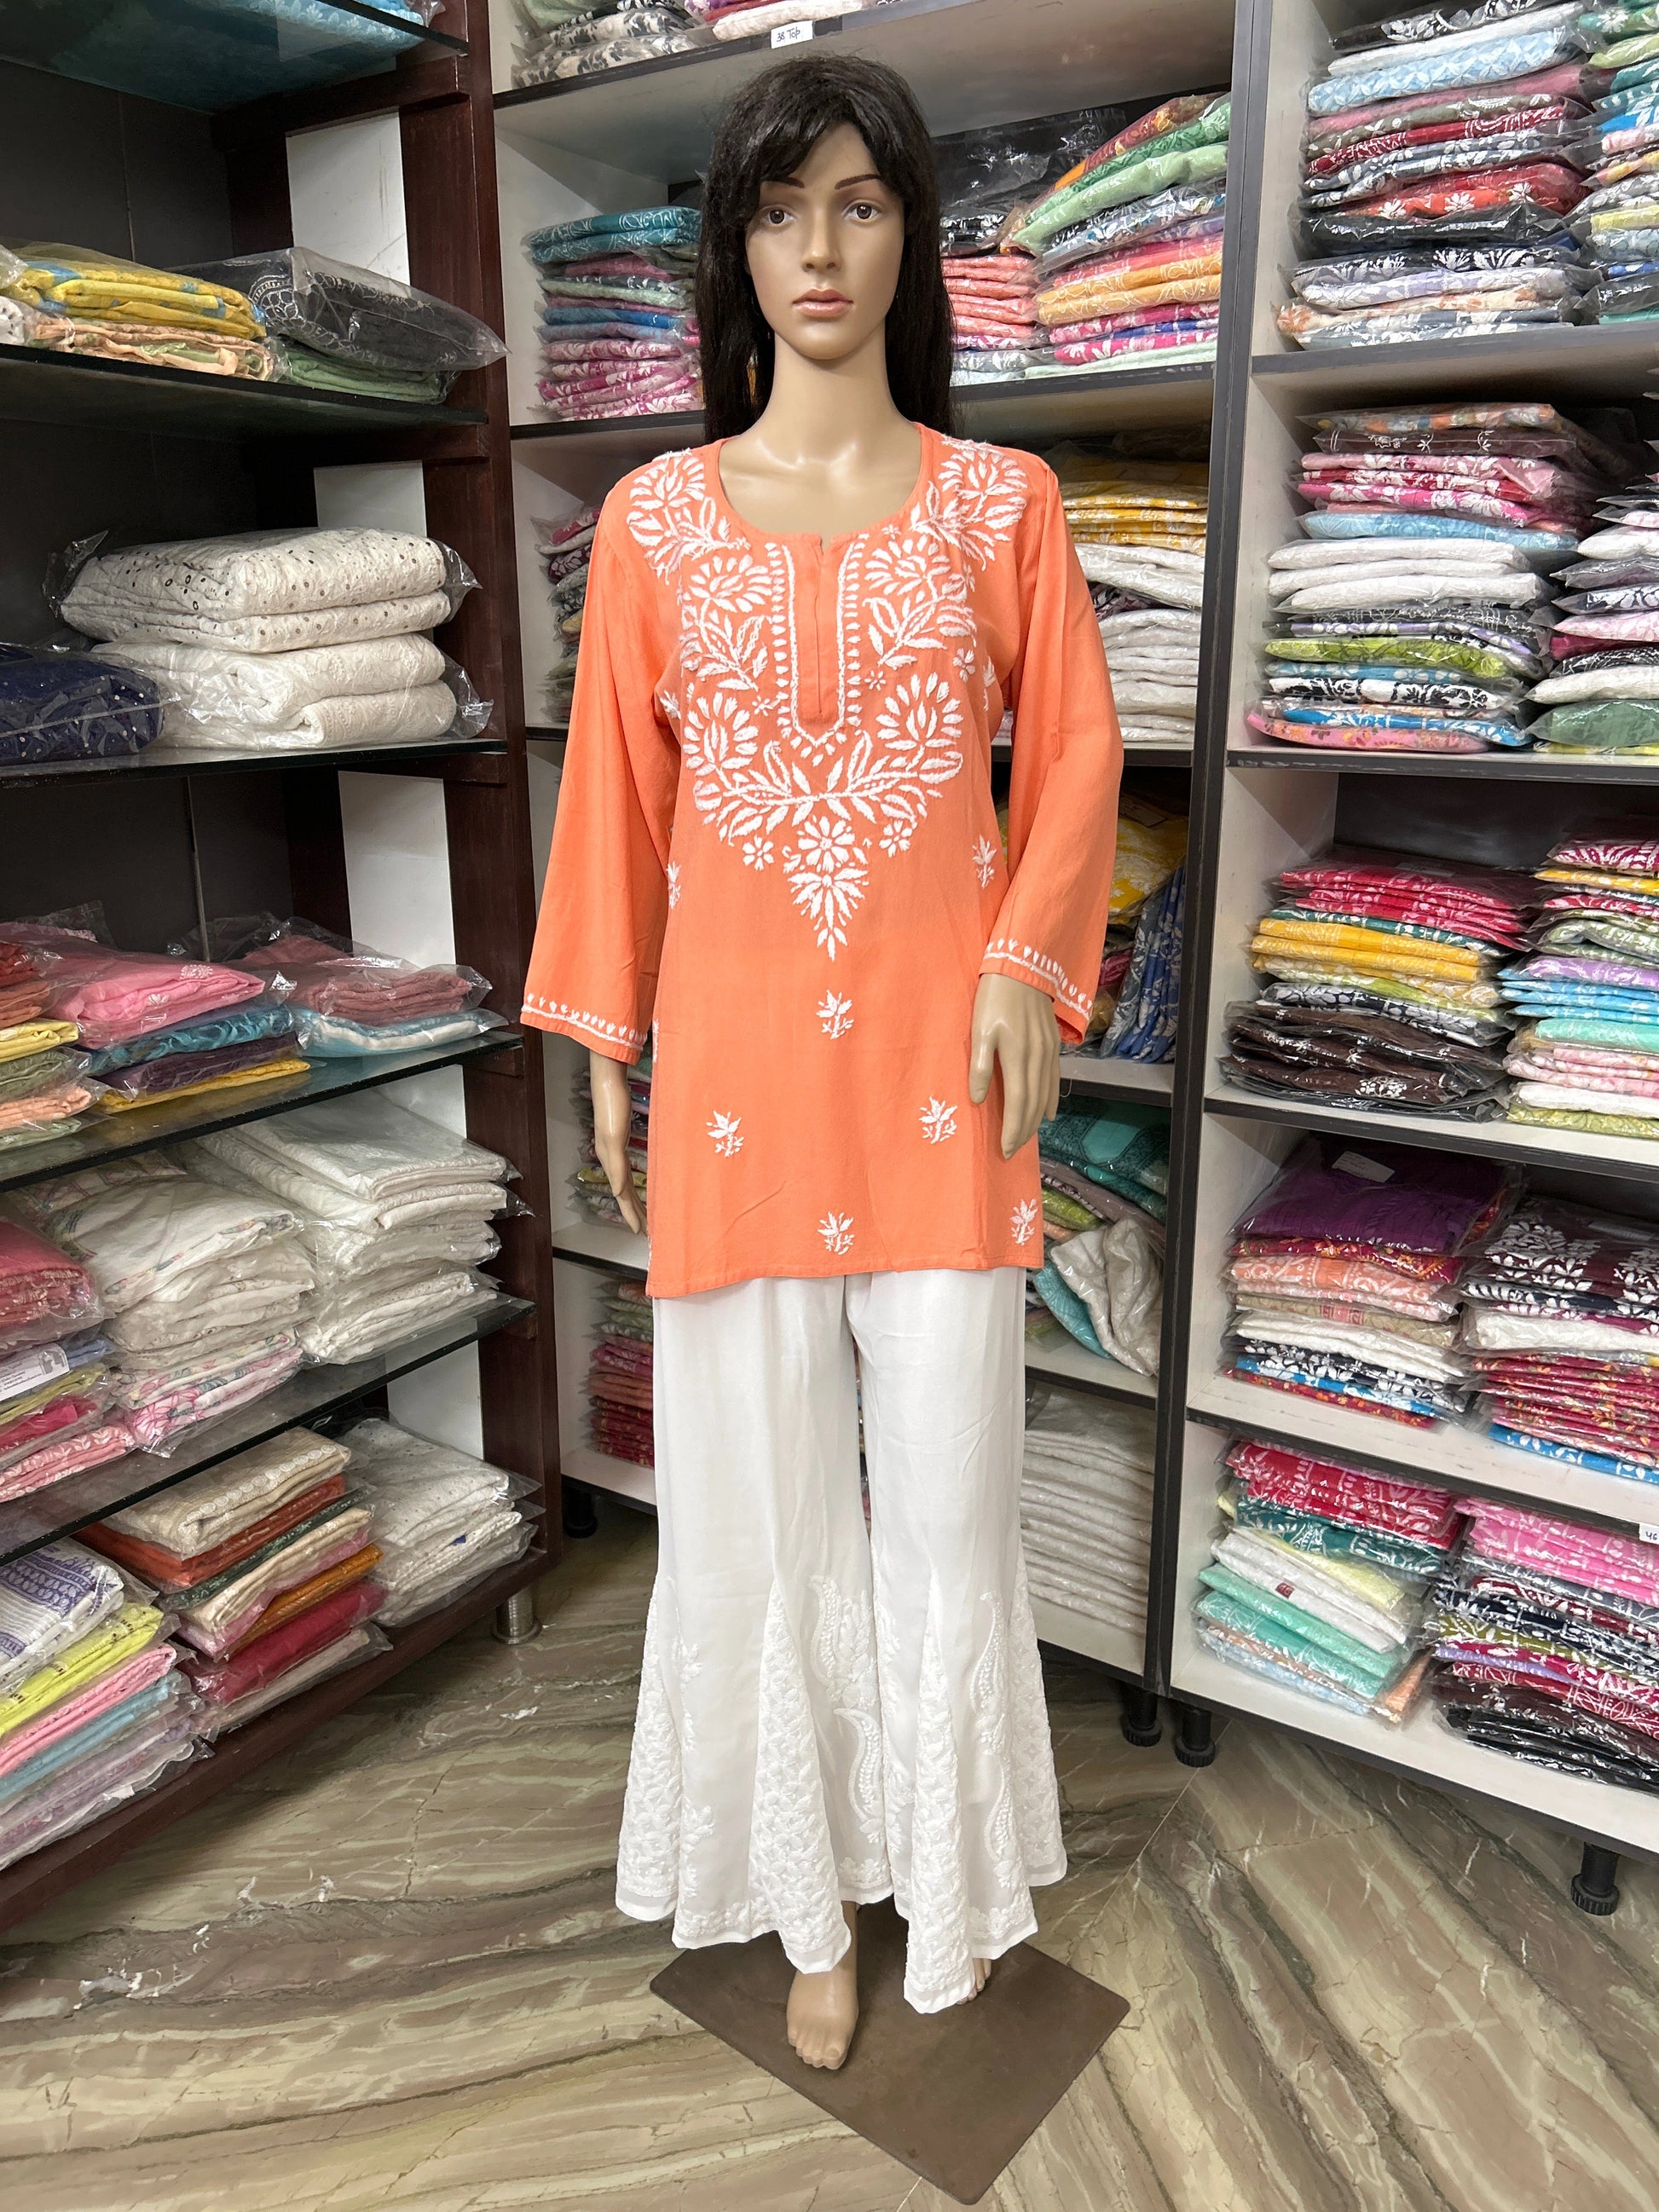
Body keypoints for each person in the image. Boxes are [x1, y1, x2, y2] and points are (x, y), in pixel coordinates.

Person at [522, 50, 1123, 2070]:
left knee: (942, 1493)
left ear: (911, 236)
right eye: (783, 208)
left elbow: (1080, 761)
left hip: (946, 1082)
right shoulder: (652, 520)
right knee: (758, 1499)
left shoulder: (1000, 503)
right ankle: (802, 1899)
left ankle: (942, 1883)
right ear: (735, 241)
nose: (821, 247)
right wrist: (602, 1034)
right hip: (729, 1079)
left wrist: (1032, 962)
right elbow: (608, 797)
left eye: (861, 203)